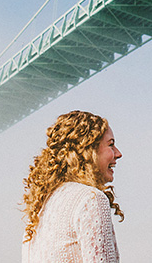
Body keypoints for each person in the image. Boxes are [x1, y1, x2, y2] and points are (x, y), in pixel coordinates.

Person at [22, 110, 124, 263]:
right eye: (111, 145)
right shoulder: (91, 199)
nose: (118, 153)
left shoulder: (40, 211)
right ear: (88, 150)